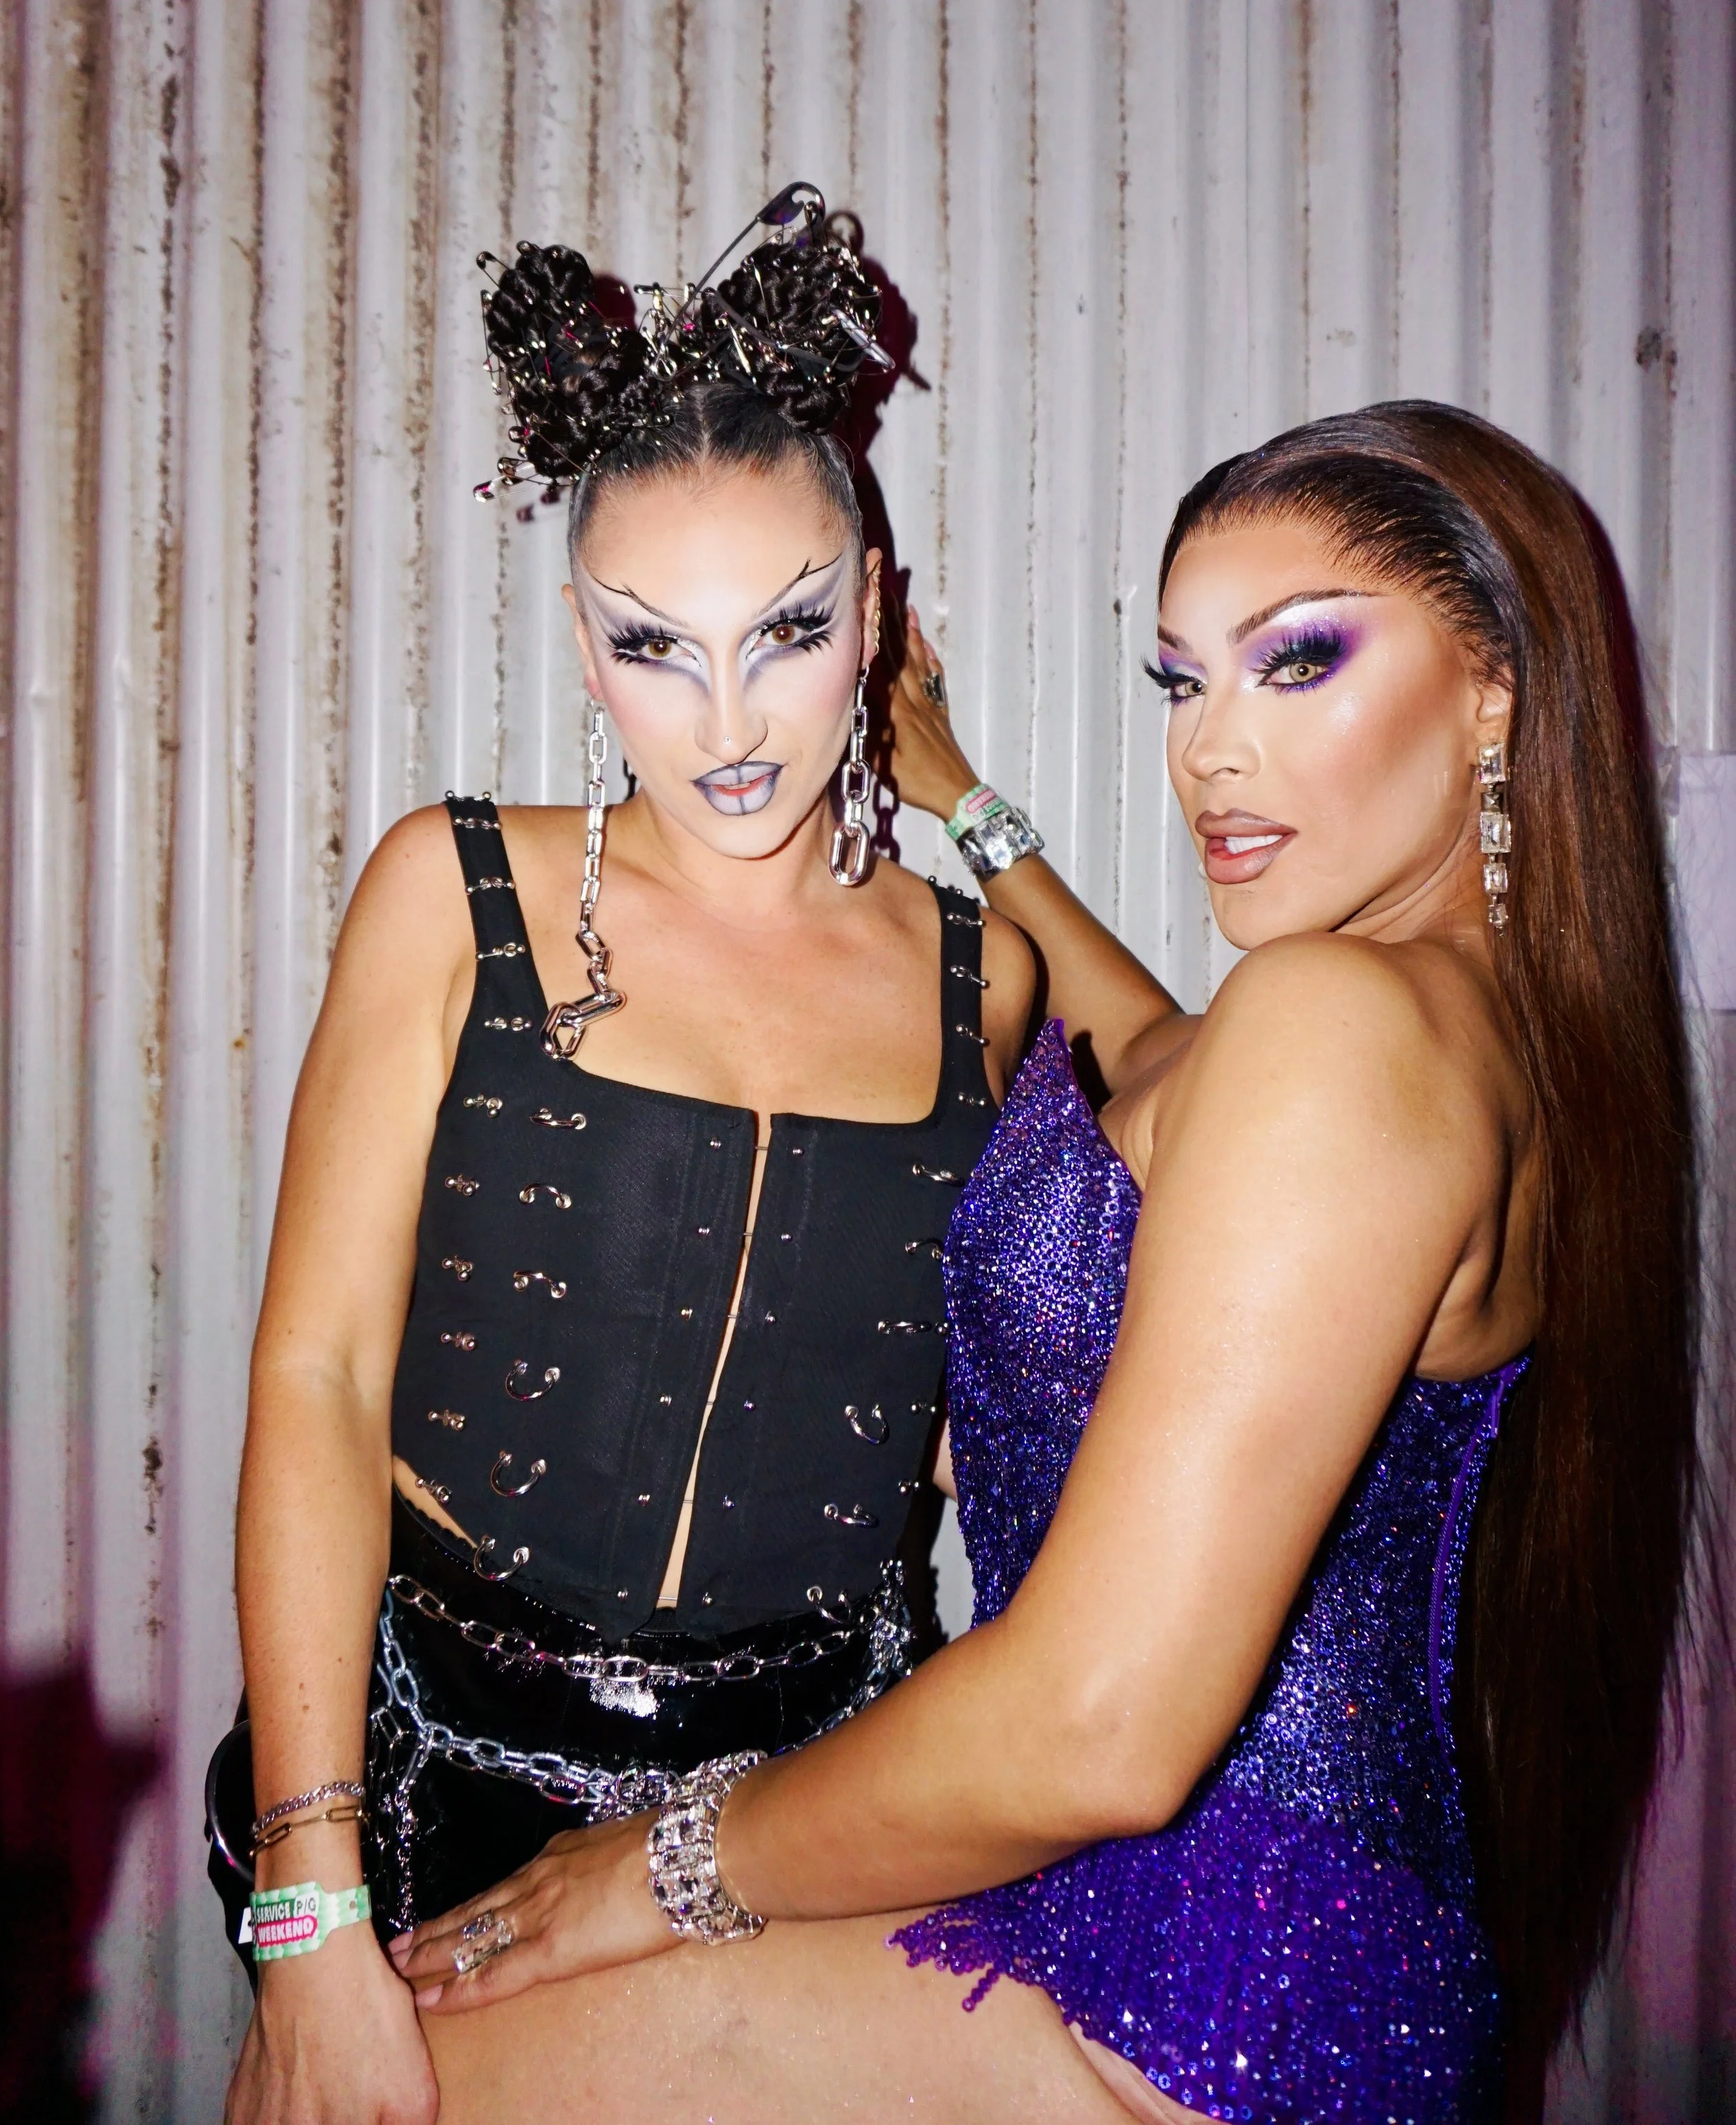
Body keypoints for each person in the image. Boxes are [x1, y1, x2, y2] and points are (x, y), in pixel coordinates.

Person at [390, 404, 1700, 2125]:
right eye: (1180, 681)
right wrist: (964, 799)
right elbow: (1150, 1064)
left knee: (405, 2068)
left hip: (1191, 1976)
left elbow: (1097, 1722)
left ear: (1490, 687)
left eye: (1292, 663)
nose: (1209, 753)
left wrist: (655, 1867)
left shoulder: (1341, 1032)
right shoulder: (1425, 1029)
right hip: (1262, 1946)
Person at [219, 190, 1168, 2125]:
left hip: (805, 1788)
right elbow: (314, 1376)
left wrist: (972, 802)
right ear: (582, 641)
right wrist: (311, 1893)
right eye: (657, 647)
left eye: (790, 632)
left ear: (875, 617)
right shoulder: (448, 887)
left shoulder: (982, 973)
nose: (728, 723)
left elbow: (1203, 1087)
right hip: (432, 1763)